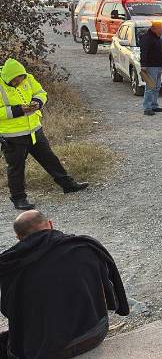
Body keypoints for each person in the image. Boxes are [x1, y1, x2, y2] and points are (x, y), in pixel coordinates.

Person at [0, 211, 129, 358]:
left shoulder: (11, 265)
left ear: (19, 238)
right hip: (94, 334)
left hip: (47, 351)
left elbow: (7, 310)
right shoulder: (84, 246)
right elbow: (108, 288)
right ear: (50, 224)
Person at [0, 59, 88, 211]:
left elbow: (41, 92)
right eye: (14, 81)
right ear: (8, 78)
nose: (18, 82)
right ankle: (19, 199)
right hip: (12, 136)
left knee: (50, 159)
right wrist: (18, 110)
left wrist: (37, 102)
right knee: (16, 168)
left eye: (20, 79)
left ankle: (68, 185)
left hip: (34, 129)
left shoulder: (28, 78)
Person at [139, 20, 162, 116]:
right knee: (150, 87)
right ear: (153, 29)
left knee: (157, 87)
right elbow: (143, 52)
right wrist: (143, 65)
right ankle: (147, 108)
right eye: (161, 29)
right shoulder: (146, 38)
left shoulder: (157, 37)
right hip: (151, 67)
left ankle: (154, 105)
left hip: (159, 66)